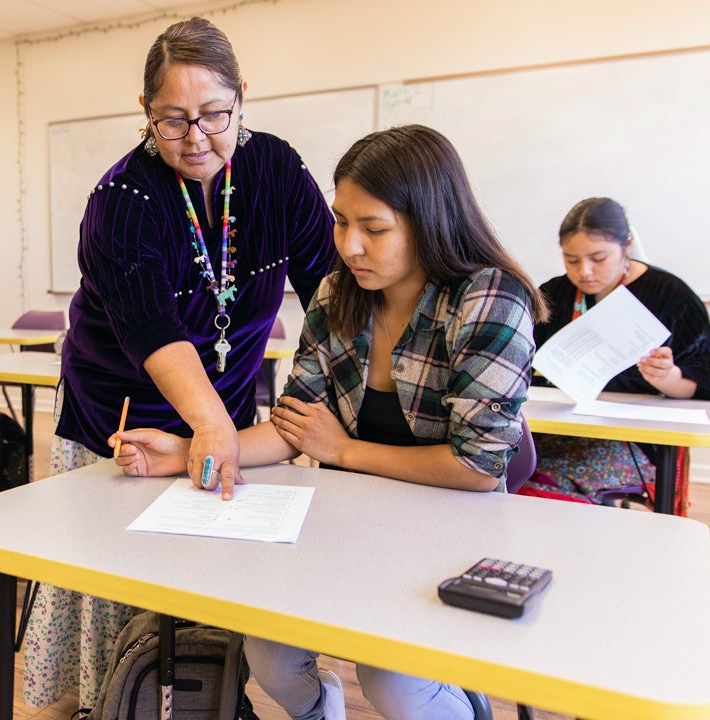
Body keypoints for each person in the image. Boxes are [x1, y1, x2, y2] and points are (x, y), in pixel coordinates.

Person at [113, 124, 545, 720]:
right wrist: (195, 447)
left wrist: (343, 451)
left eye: (375, 228)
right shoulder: (340, 292)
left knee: (393, 683)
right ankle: (321, 711)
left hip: (451, 530)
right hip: (348, 525)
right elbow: (296, 425)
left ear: (430, 222)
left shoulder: (490, 299)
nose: (350, 246)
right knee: (266, 651)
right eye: (342, 222)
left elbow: (477, 467)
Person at [24, 16, 336, 709]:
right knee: (121, 594)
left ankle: (208, 700)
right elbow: (153, 331)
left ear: (242, 98)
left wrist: (311, 406)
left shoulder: (277, 171)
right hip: (124, 415)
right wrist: (210, 427)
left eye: (215, 115)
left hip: (227, 411)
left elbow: (331, 292)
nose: (196, 139)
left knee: (220, 586)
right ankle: (118, 701)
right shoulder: (122, 200)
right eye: (173, 121)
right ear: (145, 113)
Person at [526, 197, 710, 504]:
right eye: (572, 260)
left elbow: (707, 376)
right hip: (557, 425)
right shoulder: (554, 294)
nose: (585, 272)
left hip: (633, 440)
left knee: (546, 483)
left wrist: (668, 377)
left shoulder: (670, 295)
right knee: (507, 465)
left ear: (627, 246)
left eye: (598, 258)